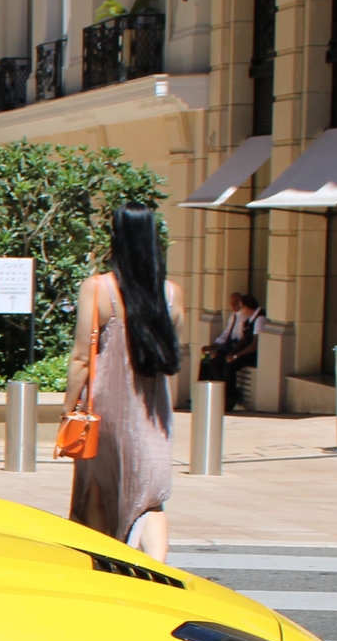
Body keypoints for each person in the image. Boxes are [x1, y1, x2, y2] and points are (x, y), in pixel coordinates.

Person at [68, 203, 186, 561]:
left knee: (98, 488)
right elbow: (174, 351)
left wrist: (68, 406)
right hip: (153, 410)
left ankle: (103, 562)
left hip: (107, 408)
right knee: (150, 497)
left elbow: (81, 358)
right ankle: (157, 568)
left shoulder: (99, 288)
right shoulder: (170, 294)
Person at [197, 292, 262, 387]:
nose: (233, 306)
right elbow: (226, 334)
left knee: (215, 361)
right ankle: (201, 386)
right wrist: (213, 346)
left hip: (235, 347)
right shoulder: (233, 316)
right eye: (231, 303)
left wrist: (220, 350)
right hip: (227, 345)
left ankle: (220, 388)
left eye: (235, 303)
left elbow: (242, 339)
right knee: (205, 356)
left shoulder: (246, 318)